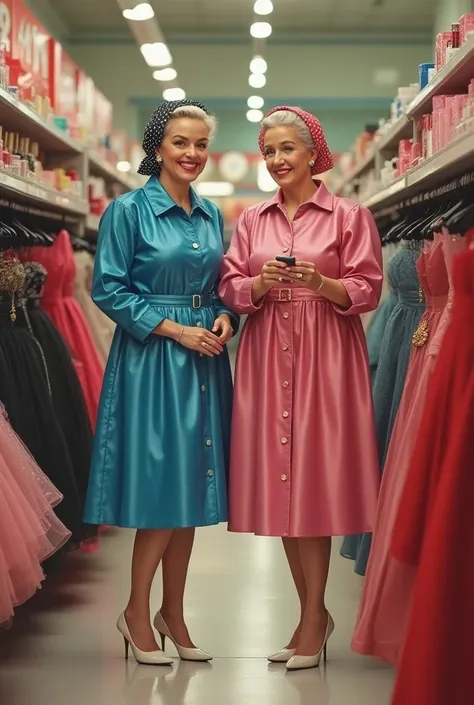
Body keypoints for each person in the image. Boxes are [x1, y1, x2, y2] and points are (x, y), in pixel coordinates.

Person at [219, 106, 383, 671]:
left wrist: (324, 282)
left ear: (313, 152)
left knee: (312, 484)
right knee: (285, 491)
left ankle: (312, 619)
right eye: (269, 151)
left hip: (326, 355)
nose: (277, 160)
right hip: (268, 352)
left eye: (287, 149)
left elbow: (368, 290)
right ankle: (311, 615)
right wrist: (255, 285)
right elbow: (230, 284)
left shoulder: (349, 215)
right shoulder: (251, 220)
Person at [83, 99, 238, 666]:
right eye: (181, 143)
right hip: (154, 361)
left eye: (201, 144)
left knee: (191, 492)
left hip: (205, 356)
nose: (193, 154)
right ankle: (134, 610)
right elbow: (109, 289)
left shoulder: (211, 214)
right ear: (157, 148)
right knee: (160, 491)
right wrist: (175, 329)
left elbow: (222, 286)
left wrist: (226, 317)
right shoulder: (128, 211)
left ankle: (172, 613)